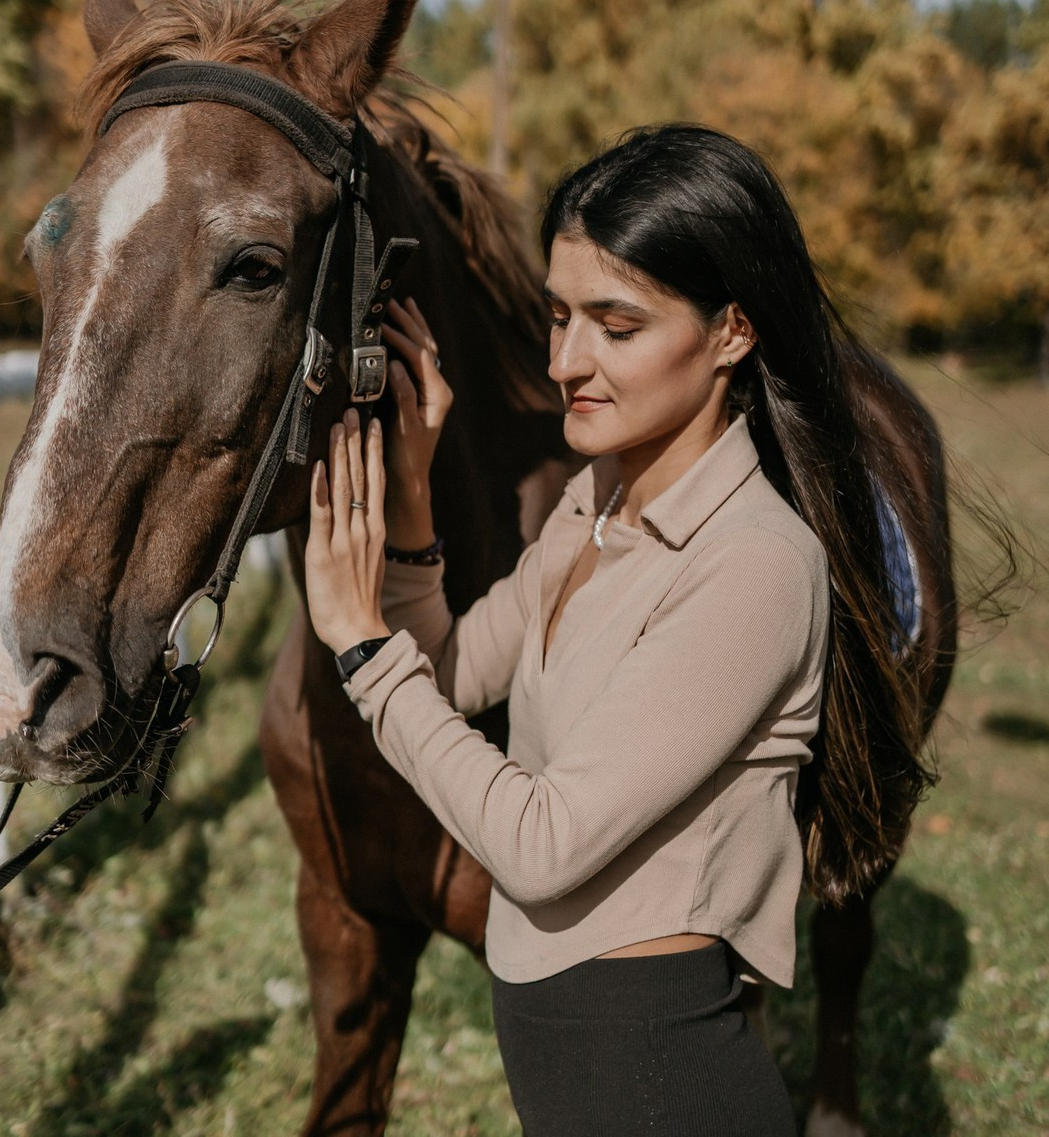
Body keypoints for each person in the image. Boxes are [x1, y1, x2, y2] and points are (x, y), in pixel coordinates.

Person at [303, 123, 932, 1136]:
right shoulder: (593, 499)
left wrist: (364, 651)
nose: (564, 360)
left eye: (615, 325)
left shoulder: (755, 565)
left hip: (660, 1072)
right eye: (556, 317)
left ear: (730, 331)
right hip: (573, 1065)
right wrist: (412, 504)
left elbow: (542, 845)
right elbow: (458, 671)